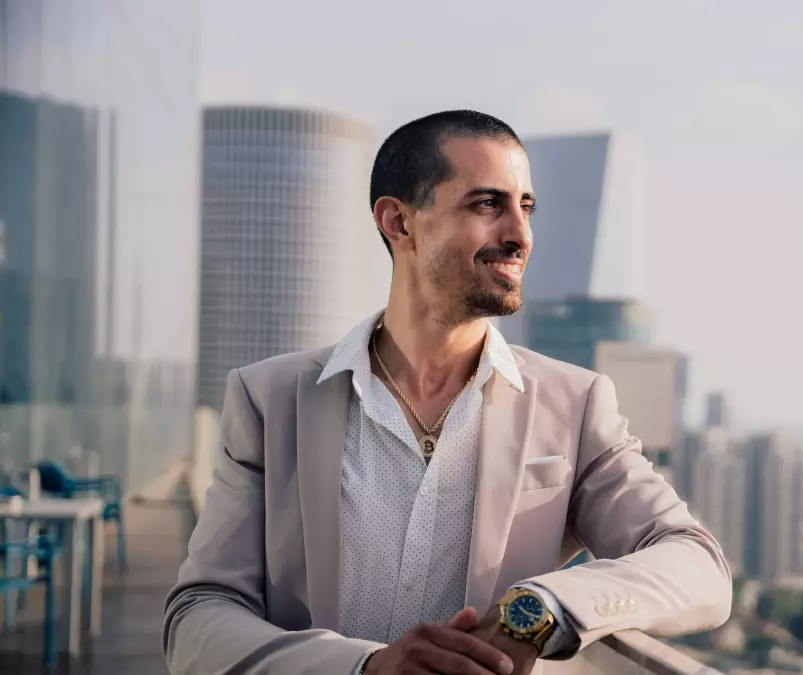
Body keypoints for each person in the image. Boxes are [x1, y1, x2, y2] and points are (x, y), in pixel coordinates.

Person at [163, 110, 731, 675]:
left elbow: (697, 565)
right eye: (487, 204)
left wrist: (542, 611)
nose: (520, 235)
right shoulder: (270, 399)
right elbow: (196, 618)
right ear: (400, 223)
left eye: (526, 207)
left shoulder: (575, 405)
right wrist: (366, 667)